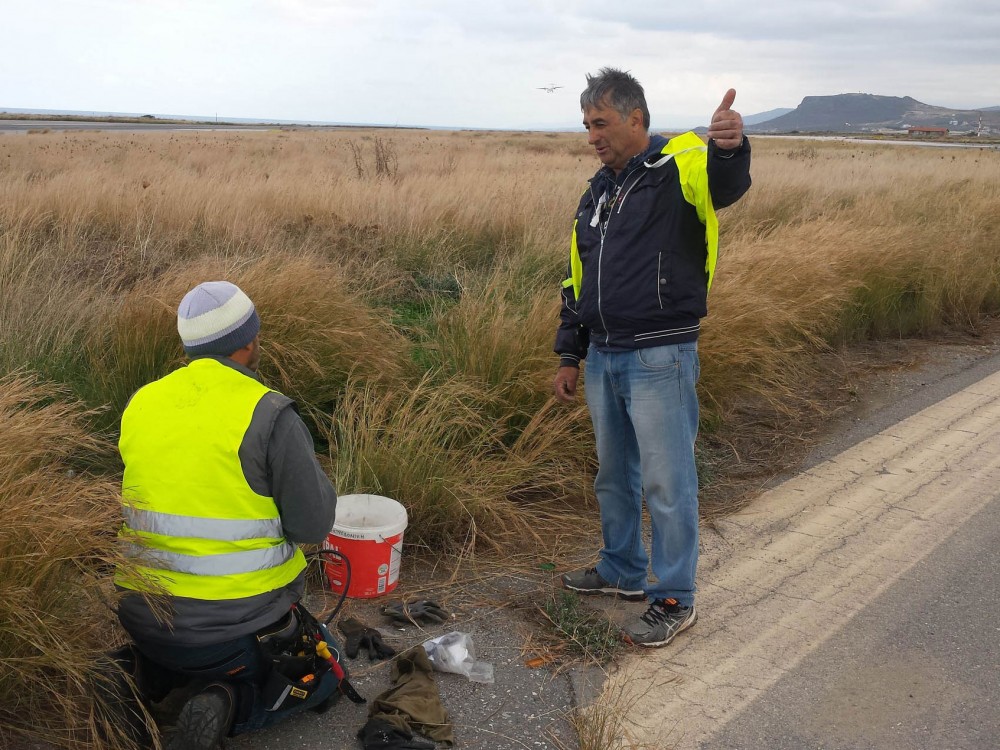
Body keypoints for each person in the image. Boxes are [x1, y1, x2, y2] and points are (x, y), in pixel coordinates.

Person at [554, 68, 751, 647]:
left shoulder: (681, 163)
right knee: (614, 477)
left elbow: (724, 184)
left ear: (637, 118)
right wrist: (571, 352)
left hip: (661, 355)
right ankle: (621, 570)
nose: (592, 135)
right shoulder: (597, 192)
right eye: (587, 124)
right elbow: (577, 278)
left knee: (668, 482)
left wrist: (731, 146)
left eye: (602, 123)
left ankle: (674, 597)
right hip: (604, 357)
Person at [112, 280, 341, 747]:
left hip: (141, 616)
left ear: (189, 345)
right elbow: (313, 525)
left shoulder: (141, 404)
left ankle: (137, 672)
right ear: (251, 341)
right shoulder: (268, 414)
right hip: (234, 635)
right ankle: (228, 702)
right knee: (328, 667)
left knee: (172, 653)